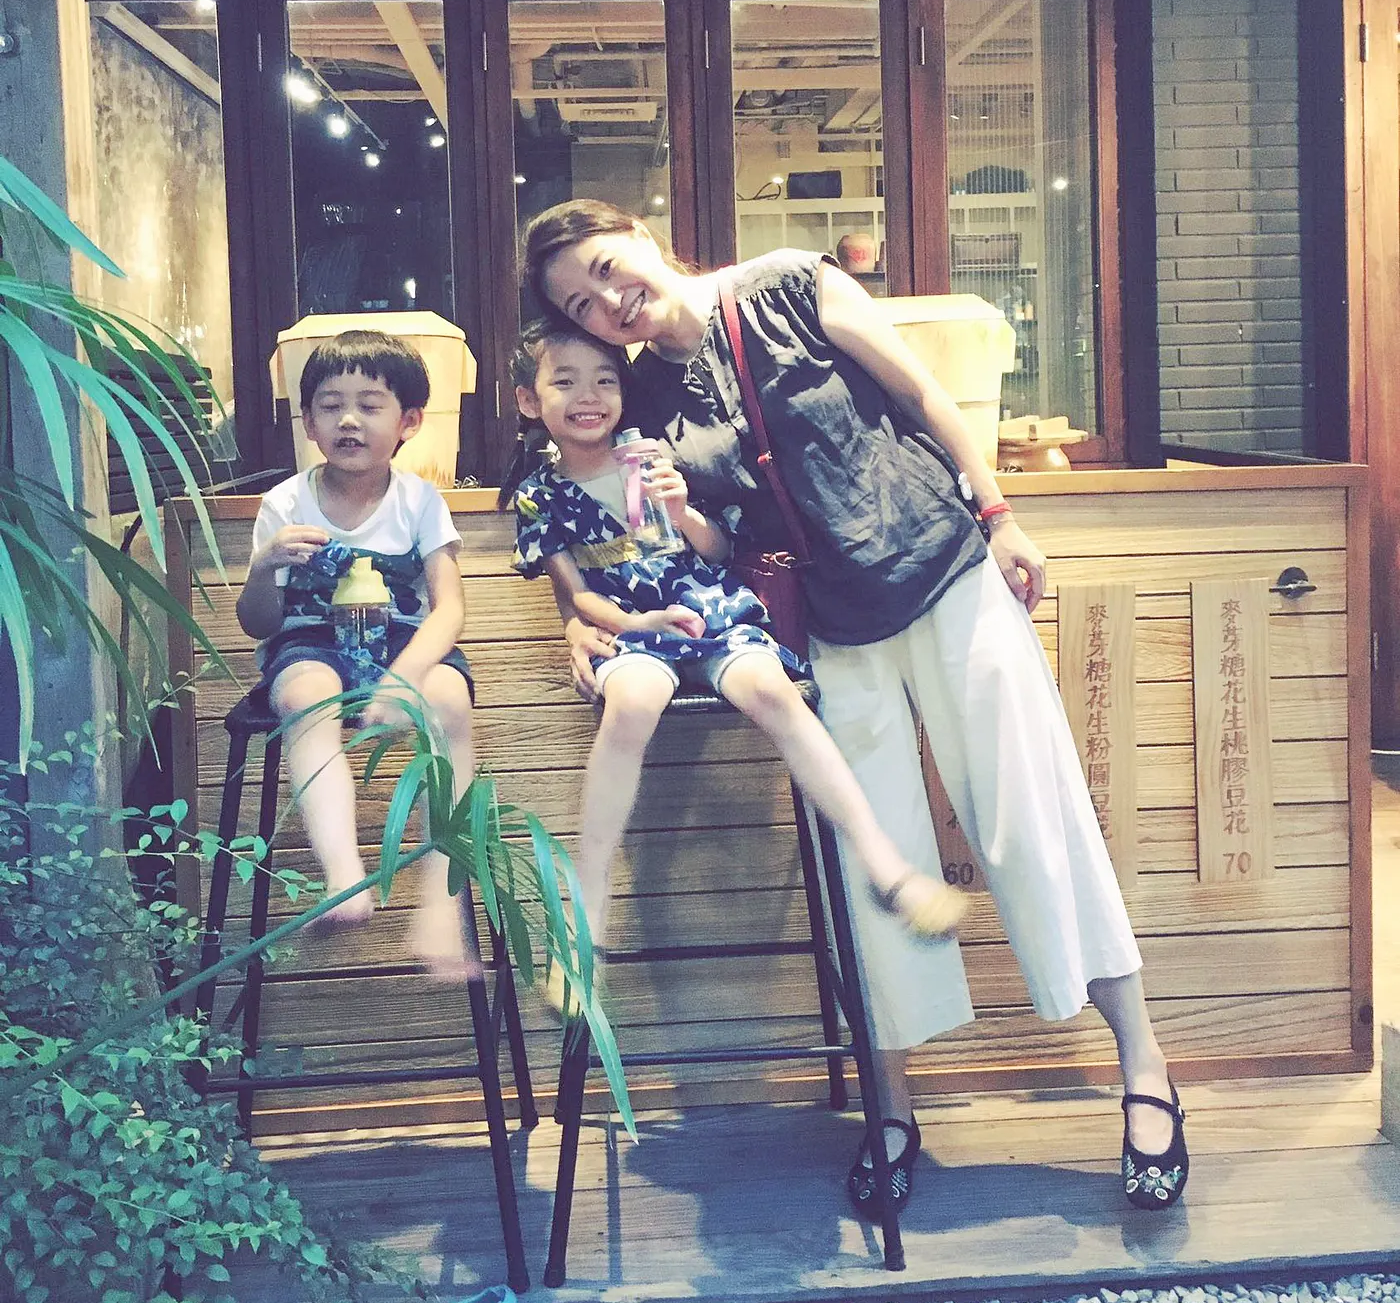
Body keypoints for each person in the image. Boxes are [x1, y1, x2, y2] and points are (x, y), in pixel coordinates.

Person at [520, 200, 1190, 1216]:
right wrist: (579, 614)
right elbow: (644, 530)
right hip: (825, 624)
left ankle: (1143, 1066)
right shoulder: (639, 394)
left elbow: (919, 390)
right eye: (579, 302)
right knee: (869, 858)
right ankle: (891, 1108)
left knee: (1031, 813)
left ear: (645, 236)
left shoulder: (791, 282)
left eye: (607, 268)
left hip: (943, 566)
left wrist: (999, 513)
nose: (607, 302)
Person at [499, 318, 967, 979]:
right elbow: (576, 597)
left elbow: (718, 550)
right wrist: (639, 623)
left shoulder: (652, 457)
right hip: (633, 627)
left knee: (773, 690)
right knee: (631, 703)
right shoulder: (539, 495)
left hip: (708, 608)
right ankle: (589, 901)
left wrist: (683, 511)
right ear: (529, 399)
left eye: (605, 379)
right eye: (566, 381)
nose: (589, 396)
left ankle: (885, 865)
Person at [236, 329, 477, 979]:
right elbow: (258, 624)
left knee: (450, 701)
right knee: (303, 696)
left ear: (409, 422)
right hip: (312, 639)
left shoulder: (419, 500)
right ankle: (344, 876)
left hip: (402, 640)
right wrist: (264, 566)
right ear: (308, 422)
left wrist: (404, 676)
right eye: (331, 405)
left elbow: (448, 610)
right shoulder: (285, 503)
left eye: (370, 405)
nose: (349, 419)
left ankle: (441, 899)